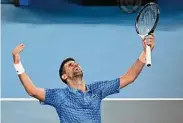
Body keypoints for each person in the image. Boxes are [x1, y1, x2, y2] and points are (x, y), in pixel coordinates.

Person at [12, 34, 155, 123]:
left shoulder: (97, 90)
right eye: (69, 65)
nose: (75, 64)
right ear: (64, 76)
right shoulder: (59, 96)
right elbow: (32, 90)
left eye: (75, 62)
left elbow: (129, 77)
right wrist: (17, 63)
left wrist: (145, 53)